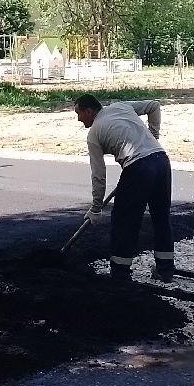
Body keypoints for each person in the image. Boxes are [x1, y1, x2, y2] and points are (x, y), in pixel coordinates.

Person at [73, 94, 173, 282]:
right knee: (161, 216)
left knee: (124, 219)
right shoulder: (121, 106)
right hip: (161, 160)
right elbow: (153, 105)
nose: (79, 119)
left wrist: (96, 208)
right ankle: (166, 270)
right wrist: (154, 135)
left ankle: (120, 272)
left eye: (79, 114)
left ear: (88, 110)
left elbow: (98, 175)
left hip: (138, 166)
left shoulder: (94, 133)